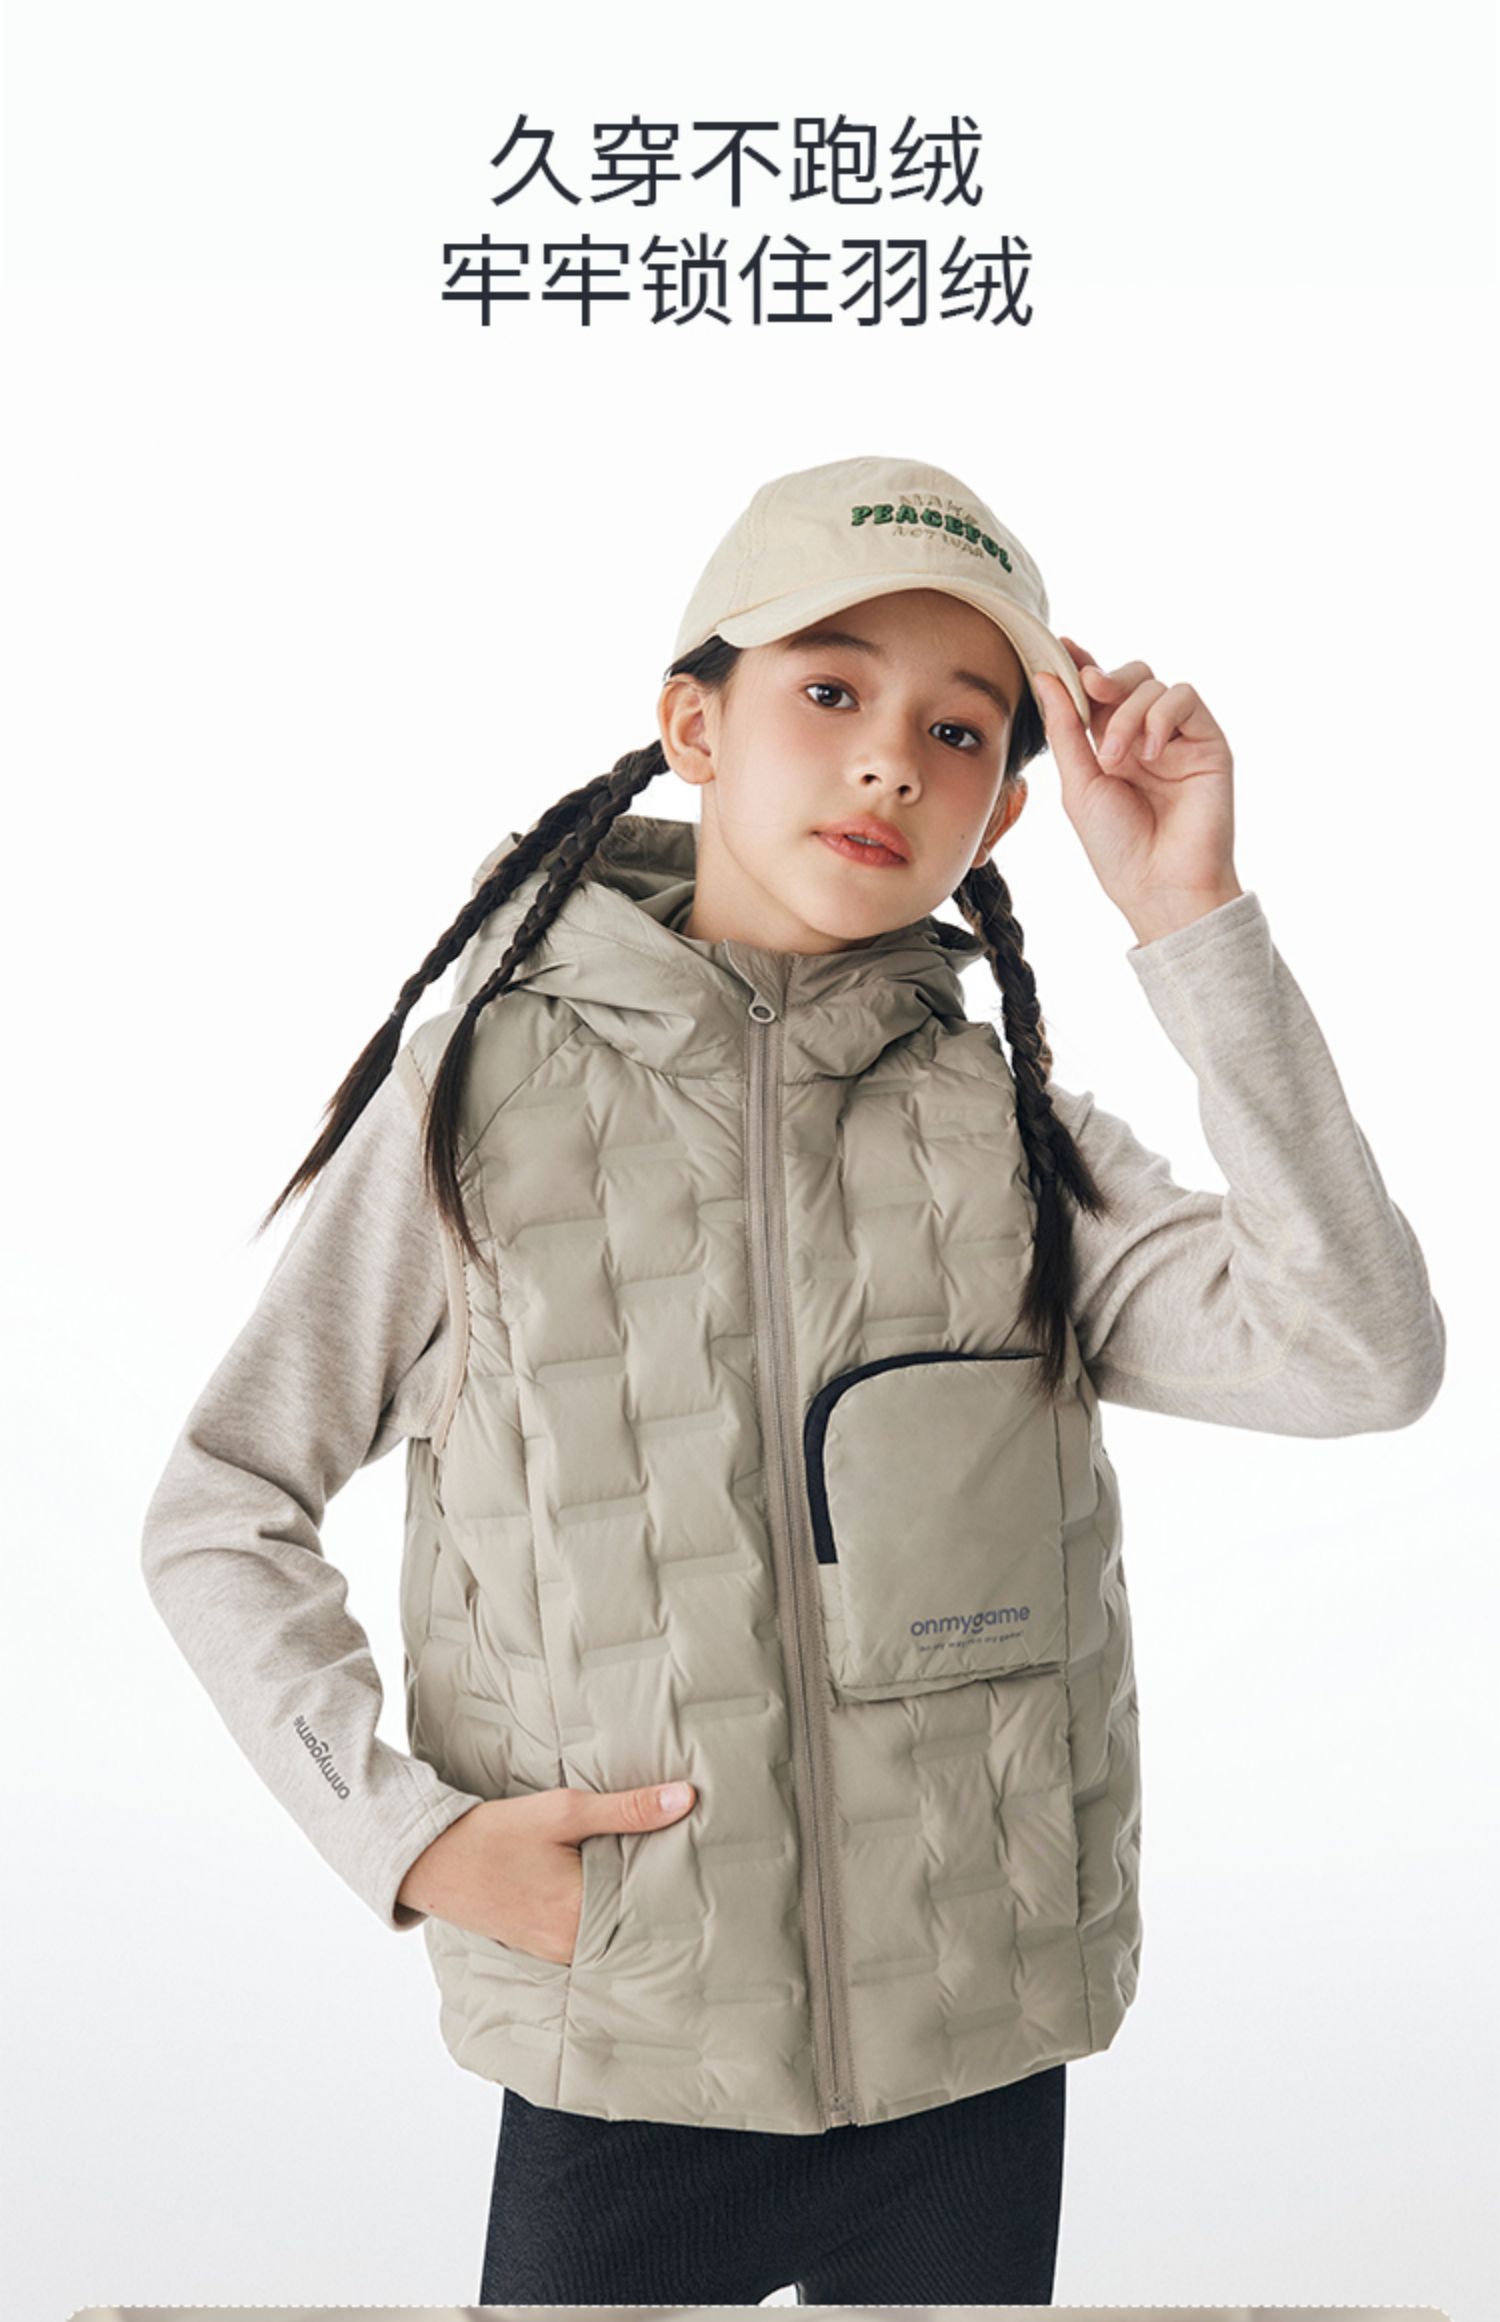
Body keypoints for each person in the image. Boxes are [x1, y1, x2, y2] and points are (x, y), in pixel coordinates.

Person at [140, 455, 1445, 2305]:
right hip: (624, 2042)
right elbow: (221, 1502)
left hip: (978, 2055)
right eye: (830, 689)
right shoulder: (475, 1103)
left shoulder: (1012, 1138)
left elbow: (1361, 1353)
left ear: (1004, 811)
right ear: (696, 722)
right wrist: (409, 1838)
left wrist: (1191, 917)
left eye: (958, 730)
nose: (890, 760)